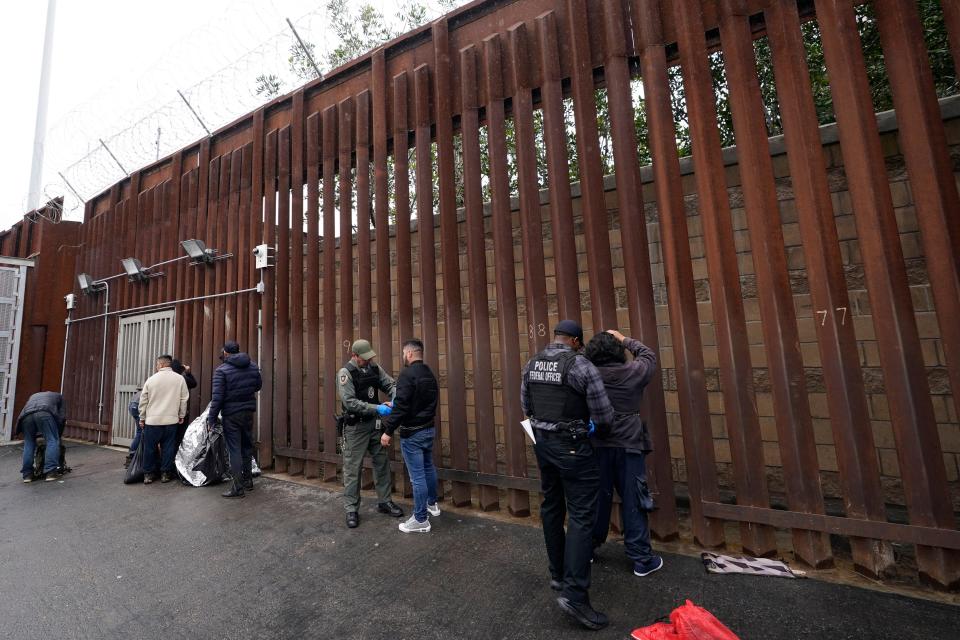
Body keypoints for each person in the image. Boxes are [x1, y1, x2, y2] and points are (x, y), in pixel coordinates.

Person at [520, 319, 615, 631]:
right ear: (575, 341)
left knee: (551, 505)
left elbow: (526, 405)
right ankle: (575, 594)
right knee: (581, 515)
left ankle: (558, 574)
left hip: (542, 444)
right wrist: (594, 427)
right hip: (573, 447)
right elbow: (603, 415)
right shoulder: (581, 365)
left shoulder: (532, 363)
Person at [585, 329, 663, 578]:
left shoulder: (588, 374)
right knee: (633, 499)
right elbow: (648, 354)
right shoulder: (633, 372)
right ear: (618, 351)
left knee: (596, 499)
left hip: (597, 445)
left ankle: (587, 549)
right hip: (629, 445)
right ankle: (641, 559)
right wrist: (623, 338)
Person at [337, 339, 403, 527]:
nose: (367, 361)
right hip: (356, 427)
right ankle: (351, 509)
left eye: (369, 358)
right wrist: (377, 408)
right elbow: (350, 402)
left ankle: (385, 501)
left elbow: (389, 384)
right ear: (354, 356)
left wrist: (396, 397)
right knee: (352, 469)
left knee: (381, 463)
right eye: (364, 358)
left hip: (374, 425)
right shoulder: (346, 373)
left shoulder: (374, 368)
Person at [380, 339, 441, 533]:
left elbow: (404, 405)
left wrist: (388, 431)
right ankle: (432, 504)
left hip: (412, 433)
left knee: (417, 477)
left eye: (404, 354)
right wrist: (395, 404)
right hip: (428, 429)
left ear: (409, 354)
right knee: (428, 468)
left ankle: (421, 519)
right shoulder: (429, 374)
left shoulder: (407, 375)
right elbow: (418, 401)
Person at [208, 340, 262, 498]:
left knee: (234, 450)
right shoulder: (252, 366)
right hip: (248, 412)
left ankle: (237, 488)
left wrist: (211, 419)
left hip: (231, 414)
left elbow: (217, 398)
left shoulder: (222, 370)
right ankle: (247, 481)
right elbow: (258, 386)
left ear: (225, 353)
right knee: (246, 447)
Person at [138, 355, 189, 484]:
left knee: (150, 448)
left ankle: (148, 475)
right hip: (171, 420)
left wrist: (142, 417)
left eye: (157, 364)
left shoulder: (151, 380)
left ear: (161, 365)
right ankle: (165, 473)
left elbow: (143, 401)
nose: (156, 367)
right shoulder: (180, 379)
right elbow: (184, 399)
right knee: (168, 447)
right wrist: (181, 415)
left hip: (152, 421)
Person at [16, 391, 66, 482]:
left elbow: (31, 413)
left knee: (29, 443)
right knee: (52, 440)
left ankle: (27, 475)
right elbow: (61, 418)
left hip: (25, 416)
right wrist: (58, 435)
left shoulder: (33, 395)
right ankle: (50, 472)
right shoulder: (59, 397)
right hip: (44, 412)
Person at [171, 358, 198, 447]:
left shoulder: (162, 378)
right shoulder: (183, 378)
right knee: (178, 436)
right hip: (180, 412)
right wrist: (188, 372)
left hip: (166, 412)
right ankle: (174, 458)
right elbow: (194, 384)